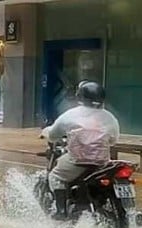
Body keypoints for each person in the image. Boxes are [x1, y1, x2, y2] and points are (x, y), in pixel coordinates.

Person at [43, 81, 120, 220]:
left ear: (80, 97)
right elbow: (114, 140)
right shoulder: (109, 117)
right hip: (102, 163)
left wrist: (47, 133)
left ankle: (61, 211)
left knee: (55, 177)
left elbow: (54, 135)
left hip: (77, 161)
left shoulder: (71, 114)